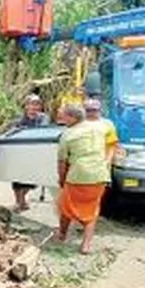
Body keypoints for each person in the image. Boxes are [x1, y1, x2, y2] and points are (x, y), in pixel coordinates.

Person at [55, 103, 110, 254]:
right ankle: (86, 245)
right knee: (92, 210)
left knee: (66, 207)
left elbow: (62, 162)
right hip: (99, 175)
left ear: (72, 118)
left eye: (64, 115)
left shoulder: (67, 135)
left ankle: (61, 235)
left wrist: (62, 179)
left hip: (78, 176)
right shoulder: (99, 128)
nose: (62, 118)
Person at [7, 94, 50, 212]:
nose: (34, 107)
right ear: (26, 106)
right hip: (20, 152)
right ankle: (19, 202)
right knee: (16, 179)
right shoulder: (19, 119)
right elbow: (13, 131)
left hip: (35, 153)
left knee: (32, 181)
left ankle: (21, 201)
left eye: (37, 104)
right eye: (32, 104)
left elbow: (43, 131)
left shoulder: (43, 118)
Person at [83, 98, 118, 164]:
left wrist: (108, 160)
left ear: (100, 110)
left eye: (94, 110)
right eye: (88, 110)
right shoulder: (78, 124)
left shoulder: (108, 124)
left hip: (101, 164)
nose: (91, 113)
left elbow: (112, 145)